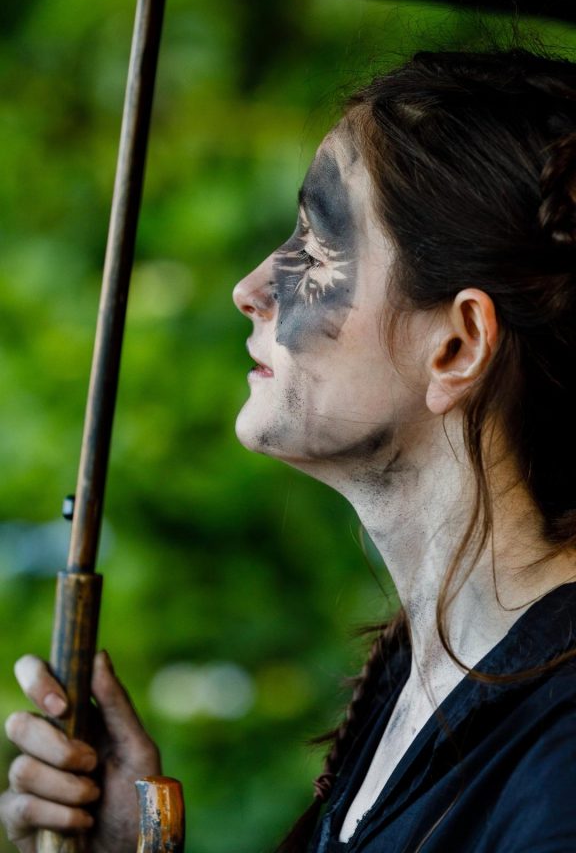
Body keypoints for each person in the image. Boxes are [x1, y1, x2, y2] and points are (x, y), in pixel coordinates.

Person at [3, 42, 576, 852]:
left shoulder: (560, 766)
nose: (251, 289)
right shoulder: (431, 674)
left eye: (315, 240)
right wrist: (140, 844)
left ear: (457, 346)